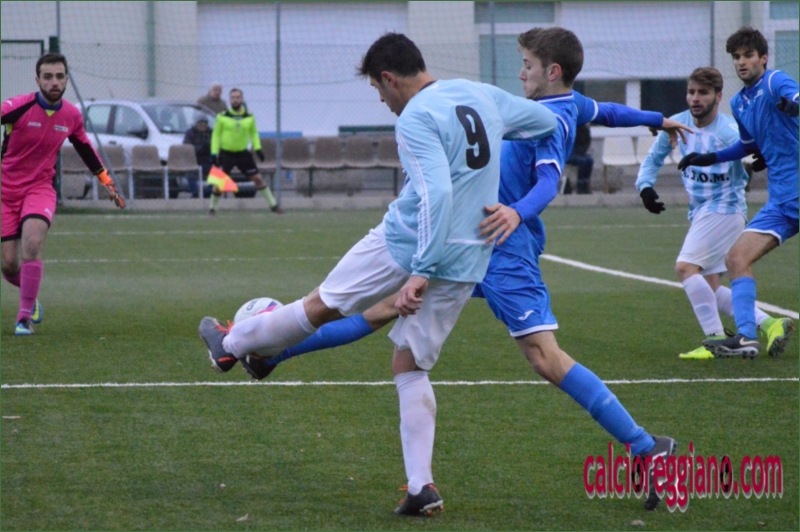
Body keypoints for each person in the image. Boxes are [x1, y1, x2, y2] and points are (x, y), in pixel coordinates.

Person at [218, 28, 696, 513]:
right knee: (389, 318)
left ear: (552, 71)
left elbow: (551, 177)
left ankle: (646, 447)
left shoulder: (552, 119)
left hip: (500, 245)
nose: (520, 73)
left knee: (544, 356)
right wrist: (656, 118)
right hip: (463, 241)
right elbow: (604, 110)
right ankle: (274, 355)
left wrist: (517, 213)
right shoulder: (557, 102)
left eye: (527, 64)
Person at [199, 32, 559, 516]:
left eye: (376, 89)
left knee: (320, 305)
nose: (381, 101)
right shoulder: (477, 93)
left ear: (389, 79)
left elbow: (436, 195)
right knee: (410, 365)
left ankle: (231, 346)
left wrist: (421, 269)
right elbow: (545, 120)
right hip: (470, 254)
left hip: (405, 242)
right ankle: (421, 488)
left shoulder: (415, 117)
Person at [636, 66, 788, 360]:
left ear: (718, 97)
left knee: (685, 268)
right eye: (691, 92)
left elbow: (759, 146)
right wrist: (645, 187)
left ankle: (715, 340)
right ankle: (771, 324)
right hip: (701, 212)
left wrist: (762, 158)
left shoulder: (728, 130)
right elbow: (653, 159)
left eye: (703, 93)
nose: (695, 98)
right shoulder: (678, 124)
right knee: (709, 286)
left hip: (725, 209)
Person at [678, 27, 797, 358]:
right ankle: (746, 336)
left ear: (763, 58)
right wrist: (710, 157)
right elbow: (747, 145)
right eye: (736, 57)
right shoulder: (739, 102)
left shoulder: (774, 82)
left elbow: (796, 98)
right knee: (736, 258)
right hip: (782, 200)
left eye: (748, 55)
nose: (741, 62)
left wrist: (794, 106)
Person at [1, 53, 124, 335]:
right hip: (6, 191)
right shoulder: (17, 107)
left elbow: (84, 147)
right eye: (48, 77)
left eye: (59, 76)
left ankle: (23, 317)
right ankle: (30, 296)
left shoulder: (71, 115)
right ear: (38, 80)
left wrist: (106, 181)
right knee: (8, 264)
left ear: (66, 79)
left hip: (40, 188)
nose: (54, 82)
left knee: (33, 243)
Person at [208, 88, 283, 215]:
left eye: (238, 97)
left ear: (242, 99)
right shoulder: (222, 116)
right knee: (219, 182)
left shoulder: (249, 116)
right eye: (233, 97)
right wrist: (214, 153)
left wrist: (258, 148)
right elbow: (216, 135)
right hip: (226, 154)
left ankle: (273, 205)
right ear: (230, 100)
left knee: (257, 178)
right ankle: (212, 209)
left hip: (243, 154)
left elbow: (253, 133)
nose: (235, 100)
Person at [182, 112, 213, 198]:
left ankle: (208, 192)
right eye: (200, 122)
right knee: (190, 174)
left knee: (218, 173)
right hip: (194, 161)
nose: (203, 125)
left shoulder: (211, 133)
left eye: (205, 123)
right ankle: (195, 193)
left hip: (208, 161)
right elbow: (187, 148)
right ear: (196, 123)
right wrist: (201, 148)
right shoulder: (190, 133)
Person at [564, 123, 593, 194]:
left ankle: (586, 184)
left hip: (580, 153)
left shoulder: (584, 130)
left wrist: (582, 151)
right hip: (568, 155)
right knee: (582, 161)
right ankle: (580, 185)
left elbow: (587, 143)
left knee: (589, 160)